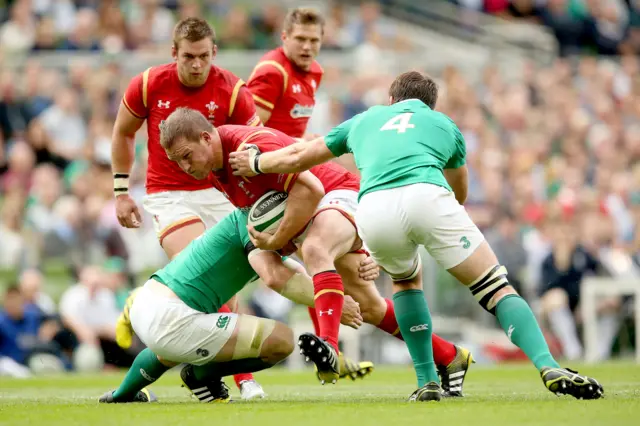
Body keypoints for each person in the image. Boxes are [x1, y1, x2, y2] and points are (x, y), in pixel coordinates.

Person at [228, 71, 605, 402]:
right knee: (496, 288)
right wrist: (435, 223)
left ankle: (427, 380)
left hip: (373, 207)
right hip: (428, 196)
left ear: (391, 100)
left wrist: (257, 162)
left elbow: (301, 155)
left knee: (407, 284)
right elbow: (459, 192)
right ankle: (548, 366)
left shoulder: (367, 118)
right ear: (429, 104)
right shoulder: (444, 125)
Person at [159, 108, 474, 395]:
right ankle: (451, 357)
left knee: (315, 248)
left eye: (187, 156)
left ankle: (329, 348)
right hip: (312, 216)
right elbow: (272, 207)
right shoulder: (215, 170)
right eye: (178, 162)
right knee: (370, 307)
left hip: (339, 192)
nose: (185, 167)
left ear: (206, 137)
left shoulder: (247, 148)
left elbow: (312, 188)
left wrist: (282, 241)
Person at [110, 16, 264, 399]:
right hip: (168, 194)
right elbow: (123, 133)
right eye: (189, 57)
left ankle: (200, 371)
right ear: (174, 53)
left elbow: (254, 141)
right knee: (212, 273)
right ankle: (243, 378)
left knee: (216, 286)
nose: (197, 65)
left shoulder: (232, 90)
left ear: (214, 52)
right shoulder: (148, 84)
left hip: (220, 193)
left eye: (204, 57)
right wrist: (120, 190)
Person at [245, 7, 374, 381]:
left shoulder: (314, 72)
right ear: (284, 38)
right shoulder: (272, 72)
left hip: (295, 172)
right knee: (308, 256)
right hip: (271, 181)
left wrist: (304, 145)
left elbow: (290, 130)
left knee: (324, 260)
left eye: (314, 41)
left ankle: (329, 349)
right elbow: (251, 131)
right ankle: (329, 348)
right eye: (300, 39)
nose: (307, 47)